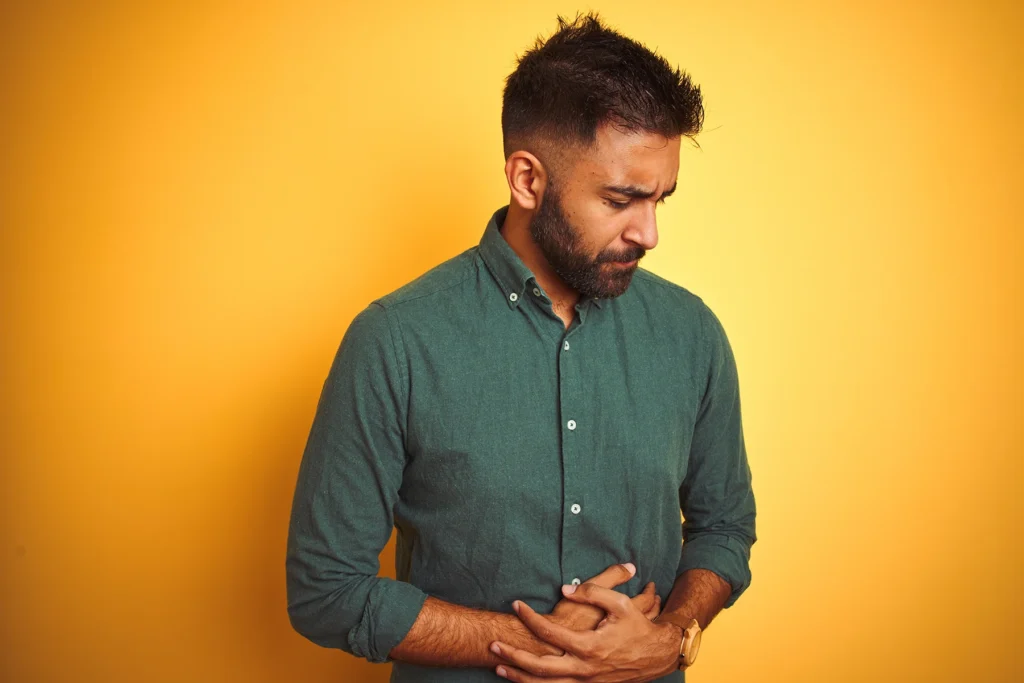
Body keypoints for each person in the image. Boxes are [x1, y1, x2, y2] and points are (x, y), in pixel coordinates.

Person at [286, 10, 757, 683]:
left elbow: (725, 528)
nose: (650, 233)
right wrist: (523, 638)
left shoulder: (692, 334)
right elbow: (326, 590)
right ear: (528, 180)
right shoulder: (394, 341)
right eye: (622, 199)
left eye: (661, 199)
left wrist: (672, 636)